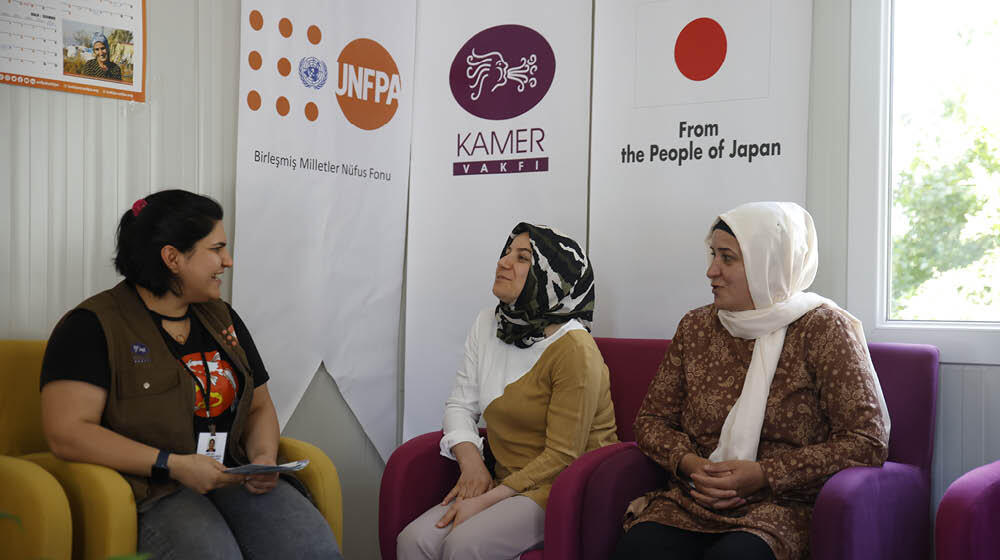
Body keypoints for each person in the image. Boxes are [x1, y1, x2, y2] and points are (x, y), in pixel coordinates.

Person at [40, 189, 342, 559]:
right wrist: (174, 465)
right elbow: (68, 434)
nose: (227, 261)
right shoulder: (91, 325)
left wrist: (263, 457)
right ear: (172, 258)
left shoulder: (223, 318)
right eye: (216, 249)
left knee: (312, 548)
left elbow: (259, 406)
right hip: (153, 490)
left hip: (230, 478)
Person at [613, 202, 891, 560]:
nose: (712, 271)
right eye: (713, 255)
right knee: (638, 548)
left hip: (782, 506)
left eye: (727, 258)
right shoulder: (696, 327)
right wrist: (691, 465)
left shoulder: (823, 329)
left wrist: (764, 474)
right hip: (693, 500)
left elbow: (865, 440)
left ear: (768, 263)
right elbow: (651, 421)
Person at [397, 223, 619, 560]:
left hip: (562, 489)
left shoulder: (575, 348)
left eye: (522, 258)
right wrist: (472, 463)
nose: (503, 262)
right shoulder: (489, 323)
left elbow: (563, 456)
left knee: (465, 544)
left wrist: (485, 501)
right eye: (506, 252)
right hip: (503, 480)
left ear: (552, 277)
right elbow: (460, 404)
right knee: (413, 541)